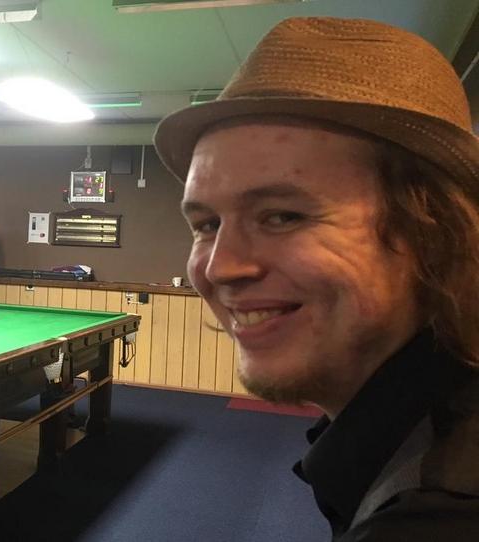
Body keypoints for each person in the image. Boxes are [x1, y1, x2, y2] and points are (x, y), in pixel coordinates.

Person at [154, 17, 479, 540]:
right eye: (207, 225)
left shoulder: (438, 515)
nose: (220, 268)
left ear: (435, 233)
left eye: (283, 216)